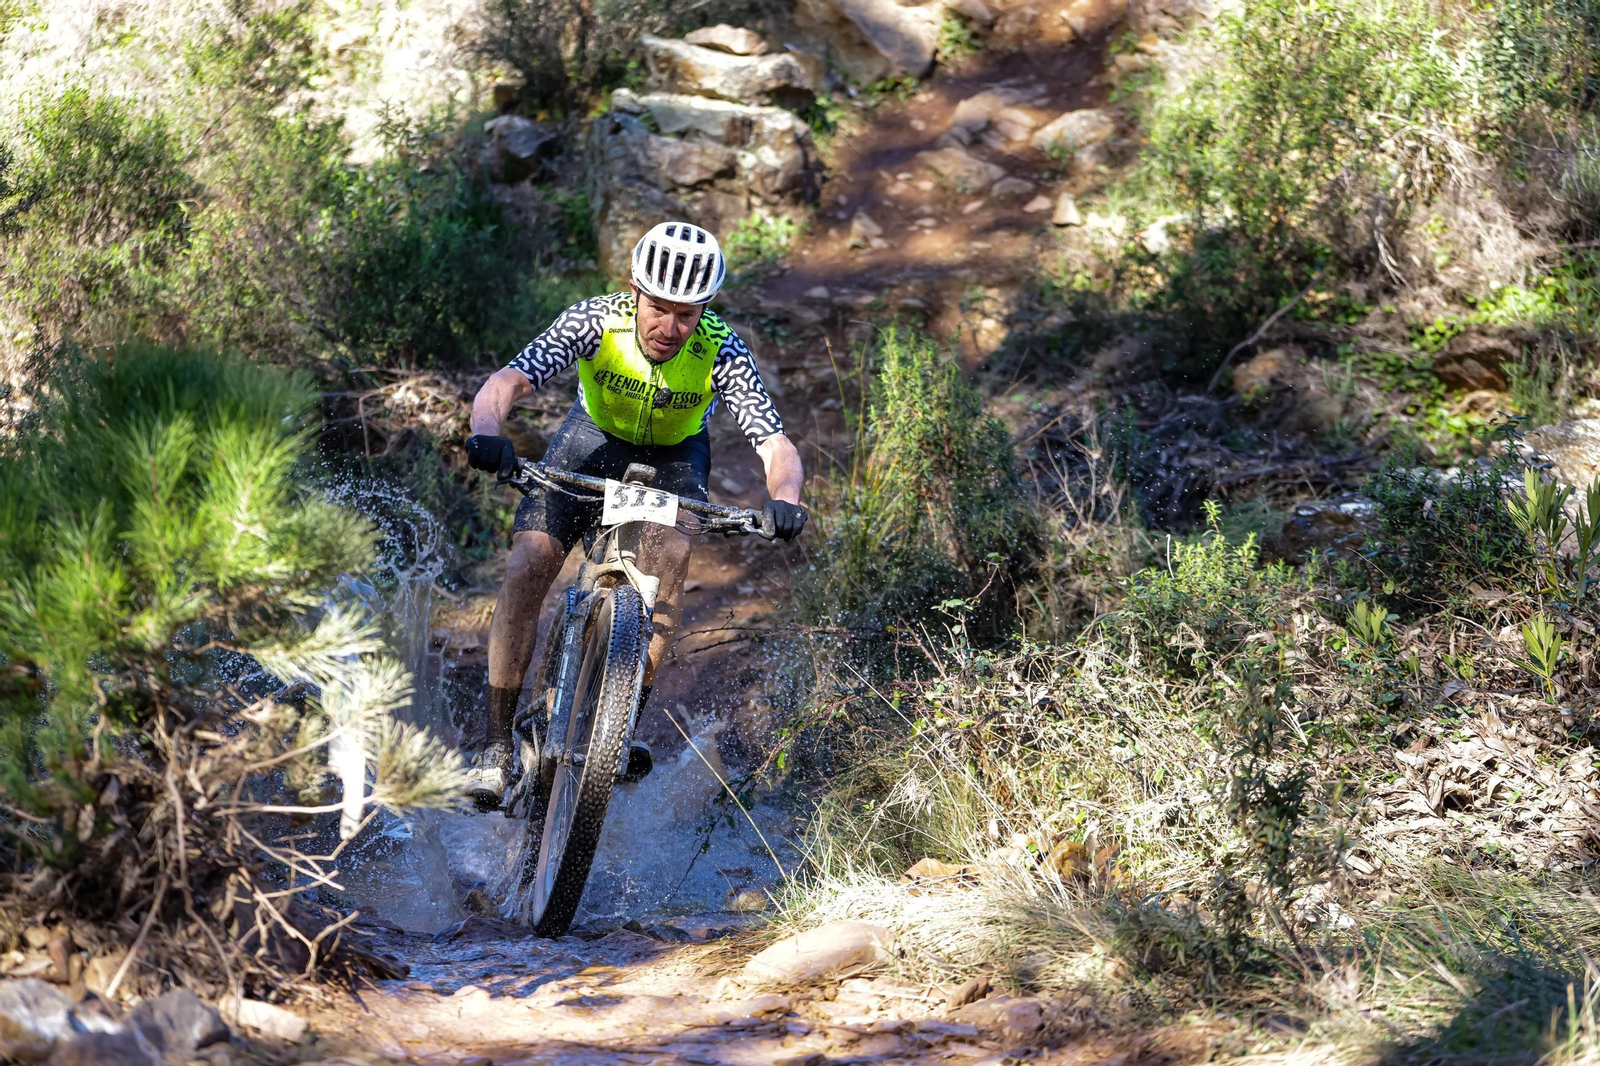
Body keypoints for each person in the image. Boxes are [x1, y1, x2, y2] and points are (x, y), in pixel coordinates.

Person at [461, 221, 808, 808]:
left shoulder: (721, 347)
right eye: (658, 309)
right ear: (634, 291)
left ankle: (616, 732)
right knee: (530, 562)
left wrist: (786, 500)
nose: (670, 328)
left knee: (670, 557)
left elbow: (774, 444)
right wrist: (487, 432)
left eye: (687, 315)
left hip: (675, 455)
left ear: (704, 311)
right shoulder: (595, 319)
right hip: (590, 440)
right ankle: (496, 748)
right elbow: (509, 380)